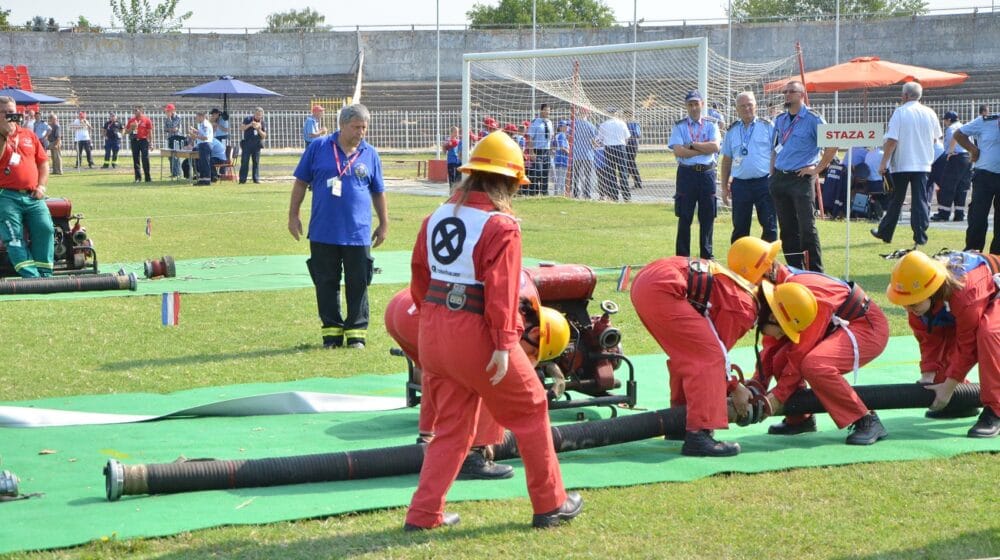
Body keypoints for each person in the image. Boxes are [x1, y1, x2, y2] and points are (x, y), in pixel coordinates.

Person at [404, 130, 581, 531]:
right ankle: (550, 504)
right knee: (533, 406)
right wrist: (504, 343)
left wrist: (433, 323)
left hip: (434, 332)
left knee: (449, 429)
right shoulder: (502, 225)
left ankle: (423, 514)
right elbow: (501, 289)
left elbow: (420, 279)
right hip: (477, 334)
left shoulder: (434, 217)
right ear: (508, 182)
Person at [728, 236, 891, 445]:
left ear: (767, 271)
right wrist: (757, 386)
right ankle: (800, 418)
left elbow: (800, 351)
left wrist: (776, 397)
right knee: (781, 359)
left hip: (866, 326)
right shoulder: (777, 288)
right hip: (843, 324)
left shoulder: (803, 291)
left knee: (815, 365)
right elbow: (771, 346)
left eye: (752, 283)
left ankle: (866, 419)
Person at [630, 256, 766, 457]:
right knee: (707, 357)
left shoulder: (741, 291)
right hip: (663, 285)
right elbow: (716, 355)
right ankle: (698, 435)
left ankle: (679, 423)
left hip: (649, 281)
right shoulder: (745, 308)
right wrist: (735, 387)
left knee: (689, 354)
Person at [288, 103, 388, 349]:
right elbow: (300, 182)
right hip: (324, 230)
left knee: (359, 282)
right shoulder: (319, 147)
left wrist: (384, 223)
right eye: (356, 127)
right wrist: (293, 215)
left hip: (358, 232)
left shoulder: (370, 153)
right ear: (342, 125)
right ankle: (331, 333)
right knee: (326, 281)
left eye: (364, 128)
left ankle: (356, 333)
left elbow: (378, 192)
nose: (361, 132)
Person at [886, 251, 999, 437]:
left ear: (931, 292)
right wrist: (929, 375)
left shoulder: (965, 291)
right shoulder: (917, 295)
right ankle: (962, 403)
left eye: (912, 304)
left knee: (989, 332)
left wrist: (948, 387)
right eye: (904, 303)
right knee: (938, 381)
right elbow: (929, 337)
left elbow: (967, 346)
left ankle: (996, 411)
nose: (908, 309)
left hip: (991, 293)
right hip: (971, 303)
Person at [770, 80, 837, 272]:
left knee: (807, 228)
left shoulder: (813, 119)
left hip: (801, 179)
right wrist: (772, 173)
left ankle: (815, 272)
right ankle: (795, 270)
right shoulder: (780, 120)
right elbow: (774, 149)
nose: (787, 95)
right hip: (780, 179)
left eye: (791, 92)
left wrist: (817, 169)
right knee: (787, 229)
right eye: (785, 92)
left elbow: (831, 146)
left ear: (802, 94)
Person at [871, 82, 941, 247]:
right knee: (920, 200)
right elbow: (936, 138)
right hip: (923, 162)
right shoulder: (930, 112)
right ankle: (920, 235)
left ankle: (886, 232)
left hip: (903, 162)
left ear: (905, 95)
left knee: (896, 199)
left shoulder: (900, 112)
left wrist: (884, 163)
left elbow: (892, 140)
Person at [0, 95, 54, 278]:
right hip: (6, 195)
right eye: (6, 112)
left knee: (45, 228)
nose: (10, 116)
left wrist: (41, 186)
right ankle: (31, 275)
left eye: (12, 112)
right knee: (13, 236)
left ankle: (45, 273)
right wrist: (4, 136)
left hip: (32, 195)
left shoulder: (29, 135)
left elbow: (43, 163)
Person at [668, 90, 721, 259]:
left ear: (702, 104)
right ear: (686, 106)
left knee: (707, 218)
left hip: (707, 175)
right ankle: (682, 259)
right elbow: (678, 151)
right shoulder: (679, 126)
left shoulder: (711, 124)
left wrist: (690, 146)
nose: (693, 108)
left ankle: (707, 257)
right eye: (690, 104)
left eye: (696, 104)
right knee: (685, 217)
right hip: (687, 175)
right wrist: (701, 148)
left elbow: (714, 147)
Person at [720, 91, 777, 244]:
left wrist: (775, 178)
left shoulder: (768, 126)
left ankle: (767, 265)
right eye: (742, 106)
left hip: (764, 182)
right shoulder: (731, 131)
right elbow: (726, 160)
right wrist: (724, 187)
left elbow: (777, 153)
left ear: (756, 106)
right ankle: (740, 265)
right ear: (737, 109)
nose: (747, 109)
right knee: (740, 228)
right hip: (740, 184)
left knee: (769, 226)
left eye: (750, 105)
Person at [954, 110, 1000, 254]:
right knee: (977, 216)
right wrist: (973, 150)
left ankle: (997, 256)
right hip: (984, 176)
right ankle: (973, 252)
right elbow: (959, 134)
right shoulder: (986, 121)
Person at [930, 111, 972, 223]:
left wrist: (950, 151)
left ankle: (944, 213)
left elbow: (954, 137)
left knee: (947, 186)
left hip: (956, 157)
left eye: (945, 120)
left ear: (949, 120)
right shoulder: (964, 126)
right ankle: (959, 214)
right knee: (961, 187)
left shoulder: (951, 128)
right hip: (967, 157)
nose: (944, 122)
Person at [596, 108, 631, 202]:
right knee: (623, 172)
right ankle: (627, 197)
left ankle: (614, 196)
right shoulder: (622, 123)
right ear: (616, 114)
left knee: (611, 173)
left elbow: (599, 140)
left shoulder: (603, 124)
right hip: (620, 147)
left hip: (609, 148)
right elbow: (627, 138)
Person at [526, 103, 553, 196]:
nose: (547, 112)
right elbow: (529, 137)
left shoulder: (550, 123)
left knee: (545, 173)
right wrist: (531, 152)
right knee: (538, 171)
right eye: (545, 109)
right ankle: (533, 192)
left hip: (547, 150)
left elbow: (551, 137)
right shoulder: (535, 122)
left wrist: (551, 149)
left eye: (549, 110)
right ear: (541, 110)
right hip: (537, 150)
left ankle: (544, 193)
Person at [571, 113, 598, 200]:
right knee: (587, 175)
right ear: (587, 115)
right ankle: (587, 194)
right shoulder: (591, 126)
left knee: (576, 175)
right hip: (588, 154)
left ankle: (575, 193)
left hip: (577, 154)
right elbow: (594, 141)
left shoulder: (573, 125)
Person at [125, 105, 153, 183]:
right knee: (136, 159)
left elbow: (150, 132)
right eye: (134, 110)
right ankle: (138, 178)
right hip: (134, 141)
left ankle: (148, 177)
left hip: (143, 140)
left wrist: (151, 143)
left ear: (141, 111)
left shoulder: (147, 120)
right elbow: (126, 132)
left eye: (137, 110)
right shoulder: (131, 120)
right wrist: (131, 128)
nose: (135, 112)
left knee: (145, 159)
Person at [239, 107, 267, 184]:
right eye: (257, 114)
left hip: (257, 144)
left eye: (260, 115)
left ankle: (256, 179)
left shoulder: (262, 122)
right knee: (244, 162)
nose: (258, 116)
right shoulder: (248, 119)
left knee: (256, 162)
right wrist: (250, 125)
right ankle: (242, 179)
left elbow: (264, 136)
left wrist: (258, 129)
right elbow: (241, 128)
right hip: (247, 144)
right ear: (254, 113)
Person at [189, 111, 213, 187]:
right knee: (202, 163)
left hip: (205, 144)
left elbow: (205, 137)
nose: (196, 118)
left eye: (197, 117)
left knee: (205, 163)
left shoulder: (205, 124)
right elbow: (201, 133)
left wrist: (195, 136)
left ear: (202, 116)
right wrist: (195, 131)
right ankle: (202, 180)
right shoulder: (202, 124)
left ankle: (207, 180)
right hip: (202, 145)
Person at [164, 103, 185, 179]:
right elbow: (165, 129)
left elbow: (174, 127)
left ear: (173, 110)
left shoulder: (178, 117)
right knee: (170, 156)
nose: (167, 112)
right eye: (167, 111)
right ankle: (173, 172)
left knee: (177, 155)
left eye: (168, 110)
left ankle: (178, 172)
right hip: (170, 138)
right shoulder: (167, 118)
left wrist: (169, 119)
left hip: (177, 138)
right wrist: (171, 129)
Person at [624, 110, 642, 190]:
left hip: (632, 144)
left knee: (631, 163)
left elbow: (638, 134)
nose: (627, 117)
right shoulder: (624, 123)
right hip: (625, 144)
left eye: (628, 115)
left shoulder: (634, 123)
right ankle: (625, 182)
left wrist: (629, 133)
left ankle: (637, 182)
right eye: (626, 115)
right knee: (627, 163)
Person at [552, 120, 570, 196]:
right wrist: (570, 153)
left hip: (559, 159)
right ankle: (560, 195)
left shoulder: (559, 135)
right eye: (566, 126)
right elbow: (562, 147)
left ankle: (558, 194)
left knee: (559, 179)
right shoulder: (561, 135)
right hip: (562, 160)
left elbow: (553, 146)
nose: (567, 127)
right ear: (561, 127)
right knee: (561, 180)